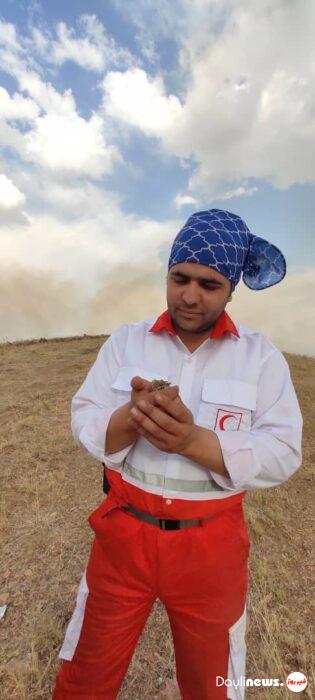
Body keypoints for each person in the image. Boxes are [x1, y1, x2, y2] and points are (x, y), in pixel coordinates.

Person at [52, 209, 303, 700]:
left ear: (232, 288)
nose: (190, 295)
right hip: (123, 537)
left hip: (211, 548)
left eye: (209, 284)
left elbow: (284, 452)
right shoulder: (127, 341)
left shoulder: (260, 358)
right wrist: (130, 417)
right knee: (87, 669)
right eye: (179, 278)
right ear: (166, 275)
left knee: (213, 681)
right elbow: (85, 415)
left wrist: (193, 441)